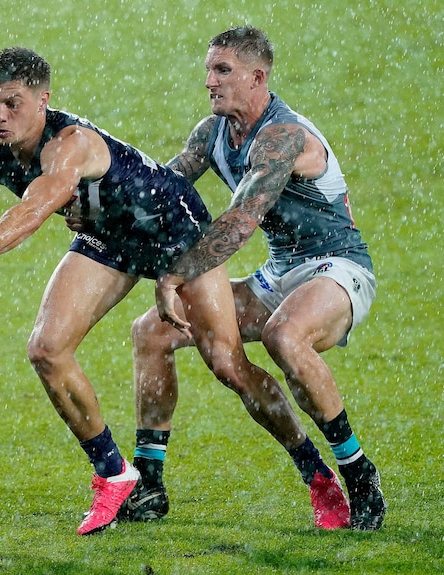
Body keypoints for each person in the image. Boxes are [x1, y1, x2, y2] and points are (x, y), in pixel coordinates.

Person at [0, 46, 342, 535]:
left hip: (175, 231)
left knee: (228, 365)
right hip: (109, 237)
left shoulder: (71, 144)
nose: (0, 116)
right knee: (46, 349)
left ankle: (316, 474)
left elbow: (35, 210)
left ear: (43, 100)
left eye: (13, 103)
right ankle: (114, 474)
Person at [136, 26, 386, 530]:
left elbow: (239, 222)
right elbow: (158, 189)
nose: (210, 80)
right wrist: (93, 198)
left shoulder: (283, 137)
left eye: (222, 70)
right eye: (209, 69)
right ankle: (149, 484)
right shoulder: (213, 133)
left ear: (257, 77)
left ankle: (358, 473)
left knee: (283, 335)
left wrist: (176, 274)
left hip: (337, 266)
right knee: (153, 331)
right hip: (279, 272)